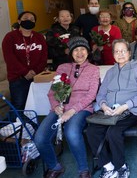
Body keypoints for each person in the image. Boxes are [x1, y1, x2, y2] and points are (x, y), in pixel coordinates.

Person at [34, 37, 99, 178]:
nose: (80, 53)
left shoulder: (93, 69)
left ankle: (83, 170)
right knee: (40, 138)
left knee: (72, 132)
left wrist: (72, 110)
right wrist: (56, 106)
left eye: (83, 49)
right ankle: (55, 166)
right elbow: (52, 92)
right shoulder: (62, 68)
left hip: (81, 108)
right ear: (70, 52)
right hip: (60, 108)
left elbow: (91, 95)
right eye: (76, 50)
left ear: (88, 52)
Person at [86, 39, 137, 178]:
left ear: (129, 53)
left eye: (123, 51)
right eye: (117, 51)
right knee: (92, 131)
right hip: (108, 111)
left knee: (113, 132)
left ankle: (121, 166)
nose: (120, 54)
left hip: (129, 111)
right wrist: (103, 106)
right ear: (113, 54)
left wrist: (125, 106)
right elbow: (101, 94)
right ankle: (108, 166)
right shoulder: (110, 72)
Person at [2, 11, 48, 114]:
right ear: (19, 21)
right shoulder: (10, 37)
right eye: (26, 18)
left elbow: (44, 57)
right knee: (19, 105)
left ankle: (32, 128)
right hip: (17, 78)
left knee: (38, 104)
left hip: (36, 77)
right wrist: (25, 72)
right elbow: (10, 58)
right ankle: (17, 129)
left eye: (32, 19)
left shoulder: (39, 37)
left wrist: (35, 71)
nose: (29, 21)